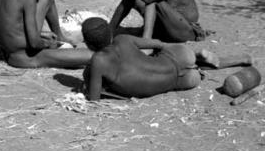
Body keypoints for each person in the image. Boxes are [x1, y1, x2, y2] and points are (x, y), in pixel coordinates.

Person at [80, 17, 252, 101]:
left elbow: (94, 100)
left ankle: (198, 69)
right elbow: (156, 43)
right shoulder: (123, 39)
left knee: (193, 73)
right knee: (166, 58)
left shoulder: (98, 61)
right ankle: (199, 57)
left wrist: (88, 79)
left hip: (183, 82)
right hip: (179, 54)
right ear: (110, 33)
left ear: (87, 43)